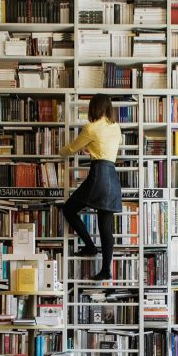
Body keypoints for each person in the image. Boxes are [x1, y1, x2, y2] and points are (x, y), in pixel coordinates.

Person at [59, 94, 122, 281]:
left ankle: (90, 246)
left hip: (98, 176)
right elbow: (107, 147)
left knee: (69, 209)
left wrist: (59, 152)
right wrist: (91, 149)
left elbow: (71, 148)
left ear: (94, 107)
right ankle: (106, 270)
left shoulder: (90, 127)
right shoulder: (116, 127)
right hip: (112, 176)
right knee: (105, 227)